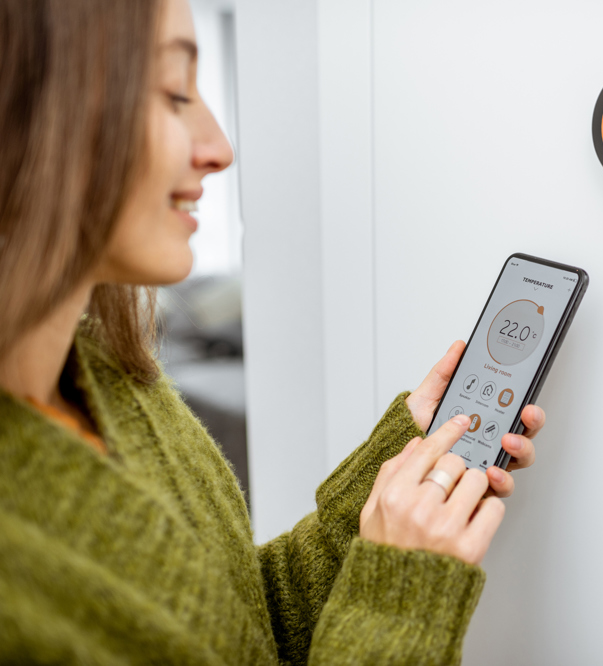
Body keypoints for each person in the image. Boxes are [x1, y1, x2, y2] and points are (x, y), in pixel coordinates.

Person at [0, 0, 546, 662]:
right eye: (175, 92)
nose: (220, 150)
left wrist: (387, 495)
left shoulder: (114, 381)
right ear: (28, 113)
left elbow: (239, 629)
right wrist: (398, 597)